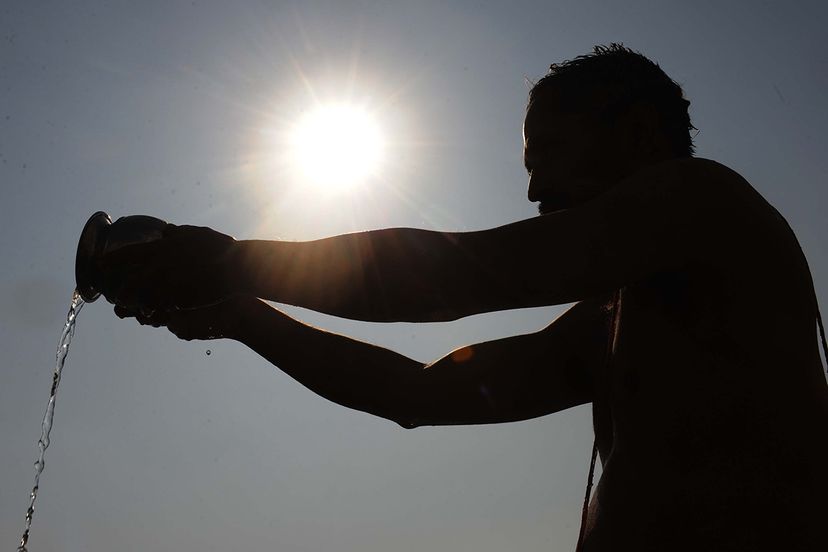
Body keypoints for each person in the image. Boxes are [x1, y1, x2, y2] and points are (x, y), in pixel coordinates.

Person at [102, 44, 828, 551]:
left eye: (548, 154)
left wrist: (234, 262)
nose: (536, 189)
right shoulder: (611, 322)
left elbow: (465, 275)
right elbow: (418, 392)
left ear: (637, 133)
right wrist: (242, 318)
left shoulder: (702, 198)